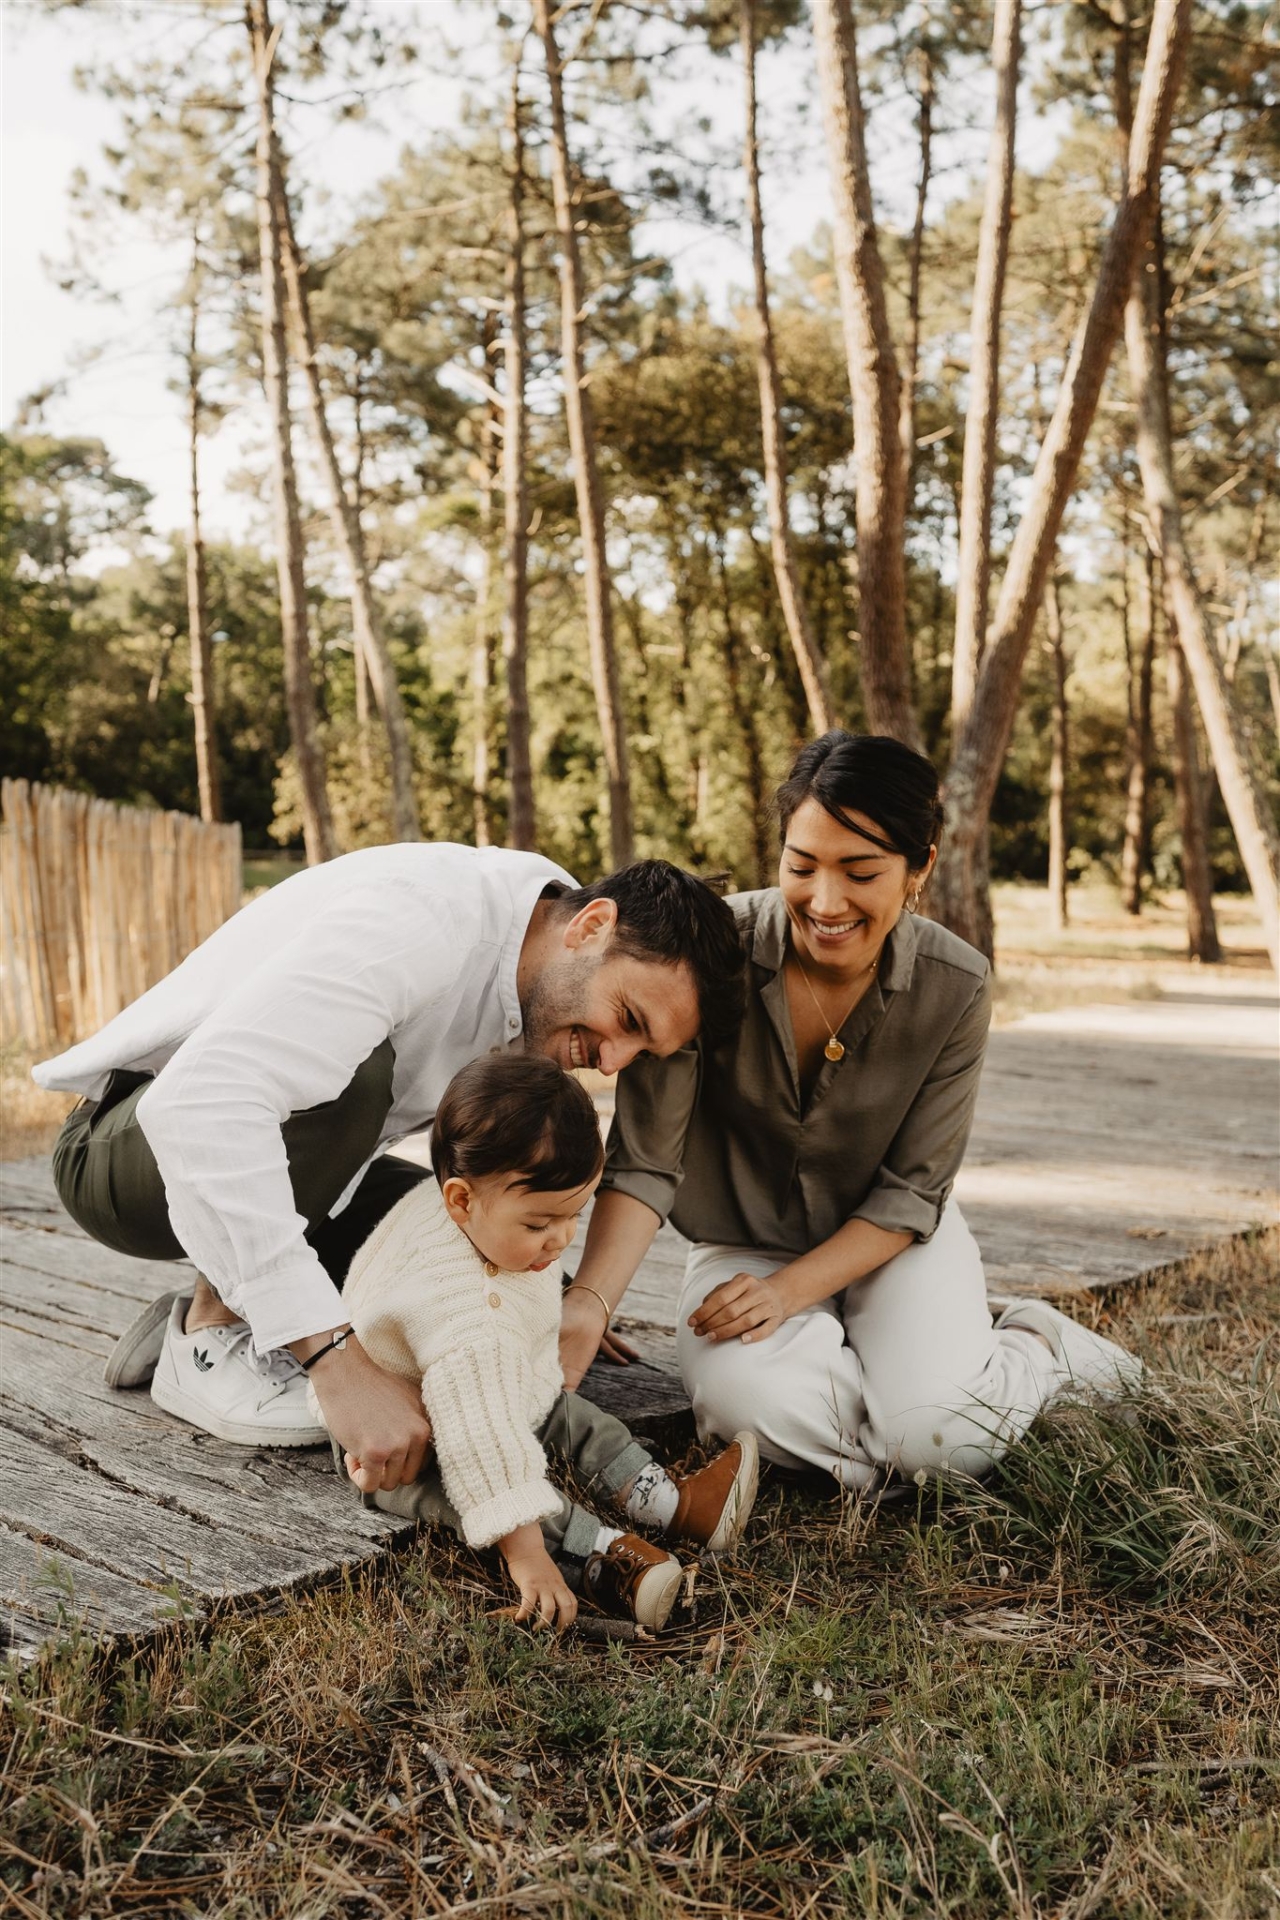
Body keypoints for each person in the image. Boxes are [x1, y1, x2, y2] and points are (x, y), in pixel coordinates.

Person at [33, 846, 745, 1486]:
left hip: (298, 1172)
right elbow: (199, 1105)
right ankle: (209, 1335)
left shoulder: (536, 973)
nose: (613, 1061)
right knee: (356, 1078)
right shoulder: (425, 920)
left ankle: (224, 1307)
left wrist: (537, 1289)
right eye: (627, 1018)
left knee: (487, 1233)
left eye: (640, 1052)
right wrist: (334, 1363)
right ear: (590, 926)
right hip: (125, 1148)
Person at [560, 732, 1143, 1492]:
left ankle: (1031, 1350)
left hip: (893, 1242)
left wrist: (788, 1296)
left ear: (919, 869)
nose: (825, 902)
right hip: (742, 1245)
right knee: (750, 1408)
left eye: (861, 872)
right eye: (801, 867)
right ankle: (932, 1436)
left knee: (936, 1432)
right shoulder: (709, 955)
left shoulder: (956, 986)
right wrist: (589, 1304)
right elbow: (646, 1161)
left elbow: (912, 1194)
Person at [327, 1052, 758, 1632]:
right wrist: (524, 1554)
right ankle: (601, 1558)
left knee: (574, 1418)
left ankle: (674, 1505)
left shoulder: (472, 1212)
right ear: (461, 1200)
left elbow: (510, 1348)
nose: (558, 1240)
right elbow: (481, 1444)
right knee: (477, 1493)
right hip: (396, 1440)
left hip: (487, 1385)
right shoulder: (466, 1319)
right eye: (538, 1225)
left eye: (574, 1215)